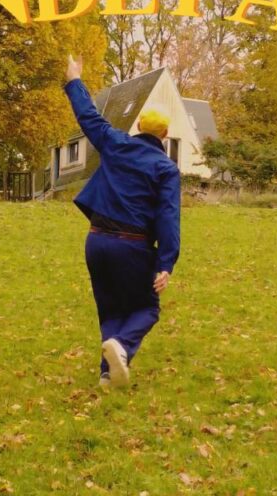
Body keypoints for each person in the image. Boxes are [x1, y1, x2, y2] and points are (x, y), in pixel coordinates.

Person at [62, 56, 181, 389]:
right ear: (165, 135)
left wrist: (74, 79)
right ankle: (123, 346)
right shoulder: (166, 169)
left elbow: (88, 117)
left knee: (111, 309)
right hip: (132, 246)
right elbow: (168, 216)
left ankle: (107, 375)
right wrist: (166, 263)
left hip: (96, 240)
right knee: (147, 308)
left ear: (139, 125)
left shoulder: (116, 143)